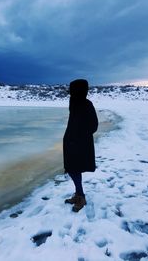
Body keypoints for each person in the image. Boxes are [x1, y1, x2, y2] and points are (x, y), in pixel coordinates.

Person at [63, 79, 98, 212]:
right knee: (72, 168)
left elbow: (94, 126)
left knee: (74, 168)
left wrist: (79, 136)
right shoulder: (74, 103)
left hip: (80, 143)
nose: (70, 93)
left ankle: (81, 197)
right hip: (71, 142)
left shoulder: (87, 104)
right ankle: (79, 194)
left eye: (72, 90)